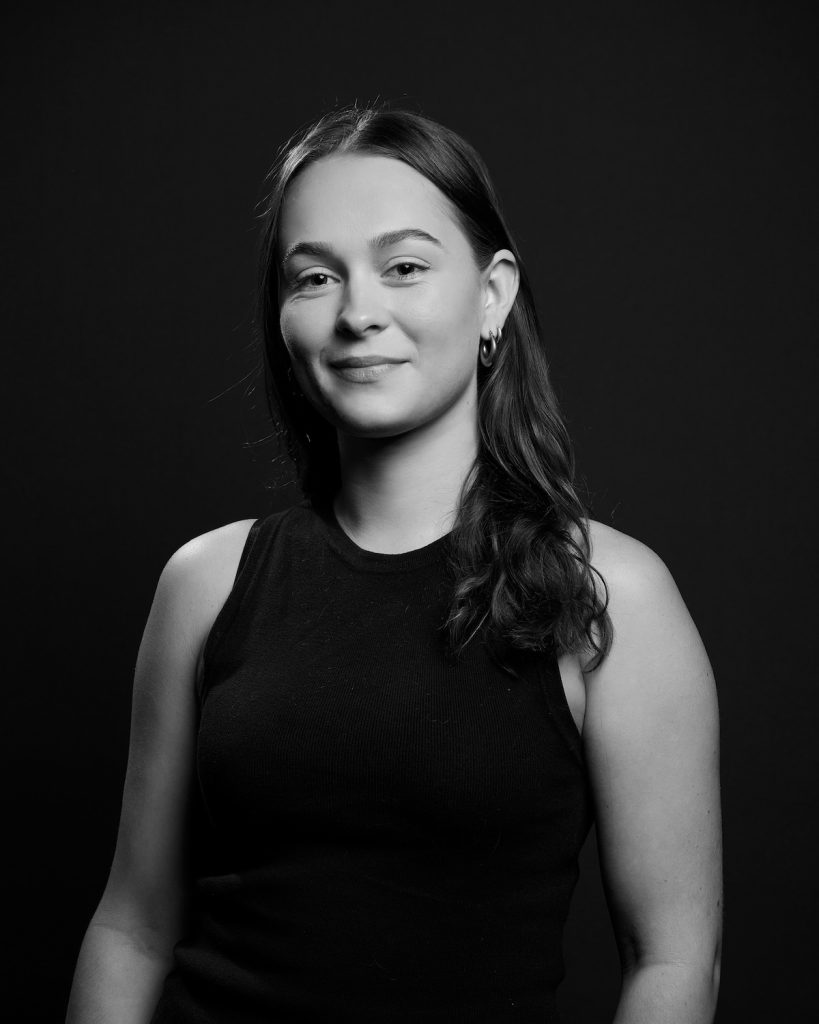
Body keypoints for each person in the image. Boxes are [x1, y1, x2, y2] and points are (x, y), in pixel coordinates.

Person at [66, 103, 722, 1023]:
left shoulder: (610, 597)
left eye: (404, 266)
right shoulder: (205, 582)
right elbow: (132, 929)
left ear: (491, 294)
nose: (357, 313)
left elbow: (673, 959)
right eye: (314, 277)